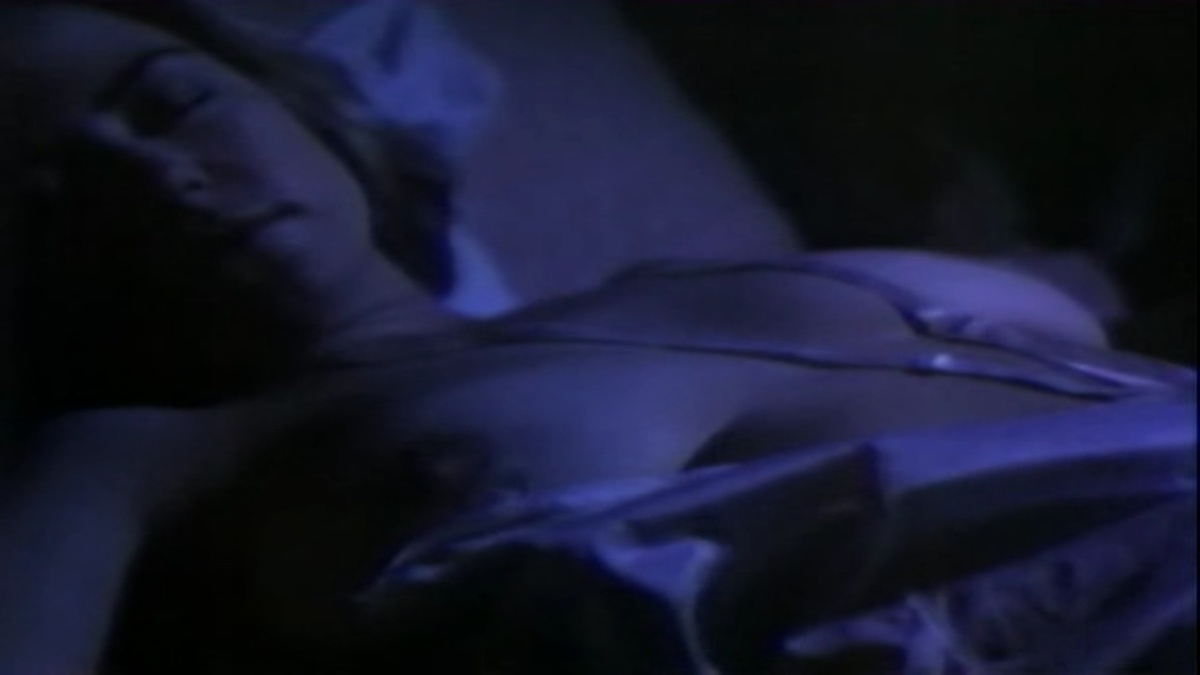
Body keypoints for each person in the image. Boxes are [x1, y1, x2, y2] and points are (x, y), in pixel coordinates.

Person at [0, 1, 1192, 673]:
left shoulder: (684, 284)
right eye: (44, 195)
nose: (155, 179)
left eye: (171, 103)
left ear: (288, 100)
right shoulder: (129, 461)